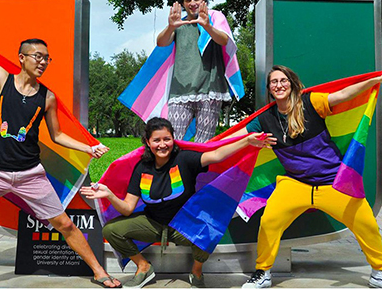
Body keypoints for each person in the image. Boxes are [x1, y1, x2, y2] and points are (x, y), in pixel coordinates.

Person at [0, 17, 121, 288]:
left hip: (31, 175)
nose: (43, 62)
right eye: (38, 56)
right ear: (22, 58)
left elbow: (57, 136)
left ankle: (99, 272)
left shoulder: (47, 97)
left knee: (65, 225)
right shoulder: (1, 79)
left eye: (47, 58)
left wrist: (88, 148)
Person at [228, 65, 382, 289]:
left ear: (291, 84)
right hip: (295, 184)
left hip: (334, 182)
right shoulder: (265, 119)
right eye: (274, 82)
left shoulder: (311, 102)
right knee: (269, 221)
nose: (279, 85)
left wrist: (378, 79)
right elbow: (234, 138)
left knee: (367, 224)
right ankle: (263, 272)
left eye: (283, 80)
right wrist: (205, 148)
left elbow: (343, 95)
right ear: (270, 89)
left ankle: (379, 272)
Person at [80, 117, 274, 288]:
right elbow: (128, 208)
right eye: (156, 140)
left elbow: (217, 155)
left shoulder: (184, 159)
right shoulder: (142, 168)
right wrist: (110, 195)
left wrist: (247, 141)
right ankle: (143, 267)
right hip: (154, 224)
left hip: (185, 225)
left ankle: (196, 271)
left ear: (173, 139)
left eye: (167, 139)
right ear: (148, 142)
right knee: (112, 230)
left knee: (209, 232)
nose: (162, 144)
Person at [153, 0, 242, 143]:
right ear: (183, 3)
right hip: (181, 92)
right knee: (172, 140)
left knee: (203, 144)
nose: (192, 3)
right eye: (188, 0)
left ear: (203, 1)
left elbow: (223, 40)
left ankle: (196, 170)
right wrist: (170, 26)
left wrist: (207, 26)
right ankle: (174, 169)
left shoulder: (215, 18)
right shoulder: (179, 24)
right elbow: (161, 42)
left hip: (210, 91)